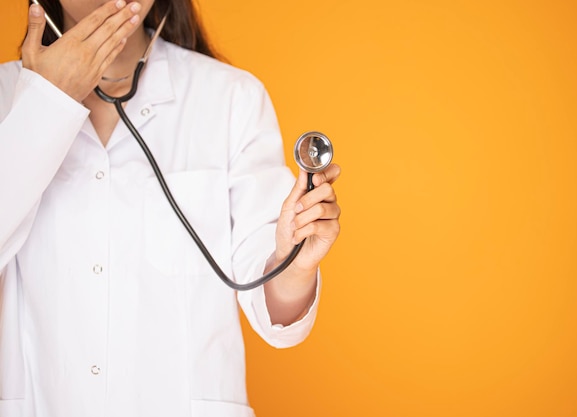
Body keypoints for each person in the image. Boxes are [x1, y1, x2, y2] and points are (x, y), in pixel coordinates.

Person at [0, 1, 341, 416]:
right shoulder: (6, 99)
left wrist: (294, 264)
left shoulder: (231, 97)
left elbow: (273, 306)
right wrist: (44, 106)